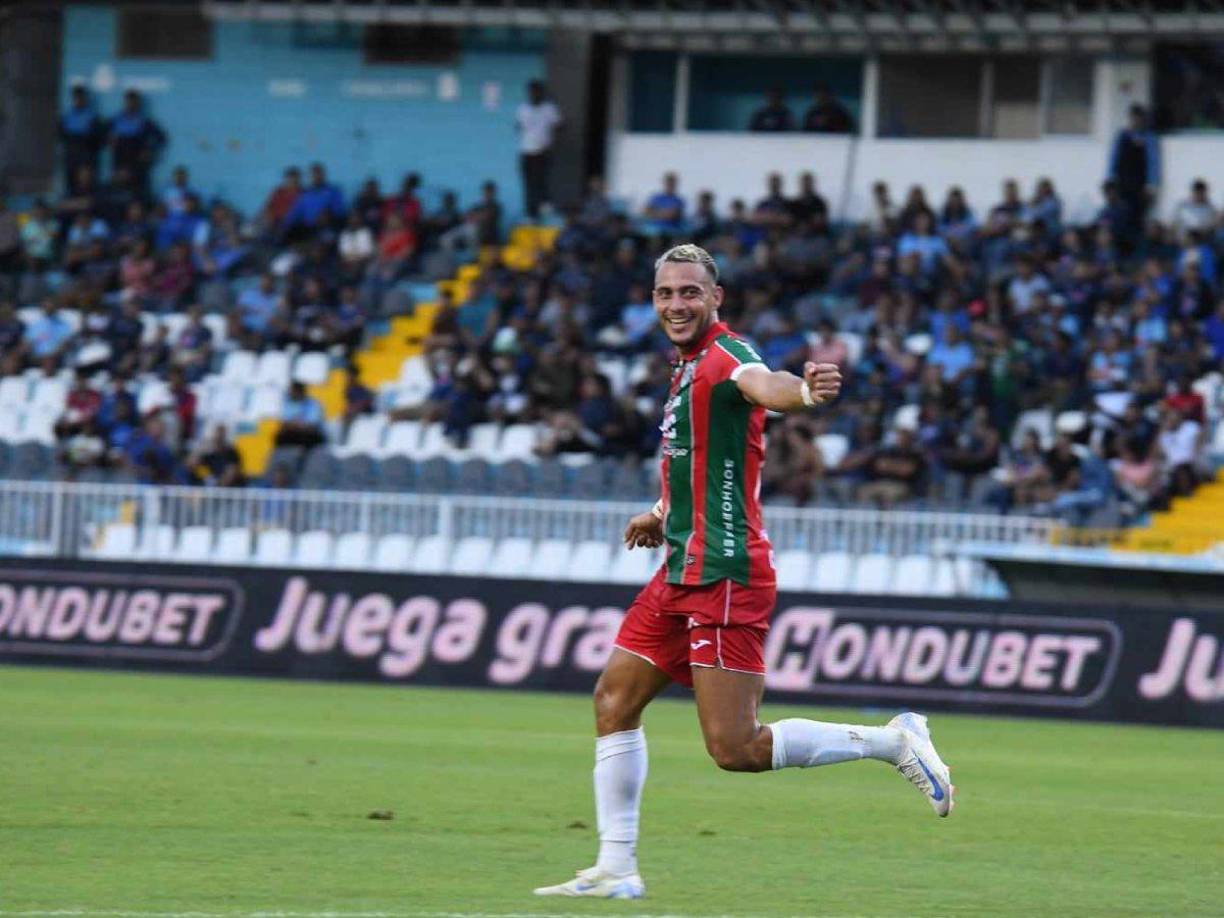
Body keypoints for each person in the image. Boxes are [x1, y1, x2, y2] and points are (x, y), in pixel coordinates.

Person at [534, 244, 954, 901]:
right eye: (666, 293)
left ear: (715, 298)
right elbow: (700, 461)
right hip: (680, 566)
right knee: (614, 700)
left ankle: (893, 741)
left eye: (690, 292)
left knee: (736, 748)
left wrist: (804, 393)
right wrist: (660, 512)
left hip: (726, 574)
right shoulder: (685, 366)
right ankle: (616, 868)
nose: (677, 304)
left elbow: (765, 384)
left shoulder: (726, 355)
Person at [1107, 104, 1161, 243]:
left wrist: (1151, 184)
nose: (1136, 121)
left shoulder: (1149, 137)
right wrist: (1110, 180)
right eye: (1133, 118)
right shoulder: (1122, 136)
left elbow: (1153, 162)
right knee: (1121, 217)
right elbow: (1114, 158)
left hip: (1140, 186)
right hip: (1122, 183)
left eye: (1138, 118)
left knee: (1137, 220)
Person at [516, 80, 562, 219]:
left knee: (541, 180)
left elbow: (559, 125)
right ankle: (531, 213)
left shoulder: (549, 109)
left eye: (536, 92)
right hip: (526, 150)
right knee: (528, 183)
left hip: (543, 150)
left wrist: (551, 141)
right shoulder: (523, 109)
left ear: (541, 93)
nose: (533, 95)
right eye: (531, 92)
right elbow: (518, 125)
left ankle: (544, 205)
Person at [107, 90, 166, 198]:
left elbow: (161, 138)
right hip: (119, 165)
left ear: (138, 104)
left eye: (134, 102)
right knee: (118, 195)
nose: (131, 105)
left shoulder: (144, 122)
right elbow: (102, 137)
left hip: (138, 166)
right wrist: (109, 141)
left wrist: (150, 151)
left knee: (139, 196)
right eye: (129, 102)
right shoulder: (115, 121)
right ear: (125, 102)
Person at [59, 84, 105, 194]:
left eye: (81, 97)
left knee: (87, 188)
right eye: (76, 97)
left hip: (87, 159)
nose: (78, 100)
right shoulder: (67, 118)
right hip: (70, 158)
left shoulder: (93, 118)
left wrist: (88, 161)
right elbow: (62, 138)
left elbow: (98, 141)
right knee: (70, 188)